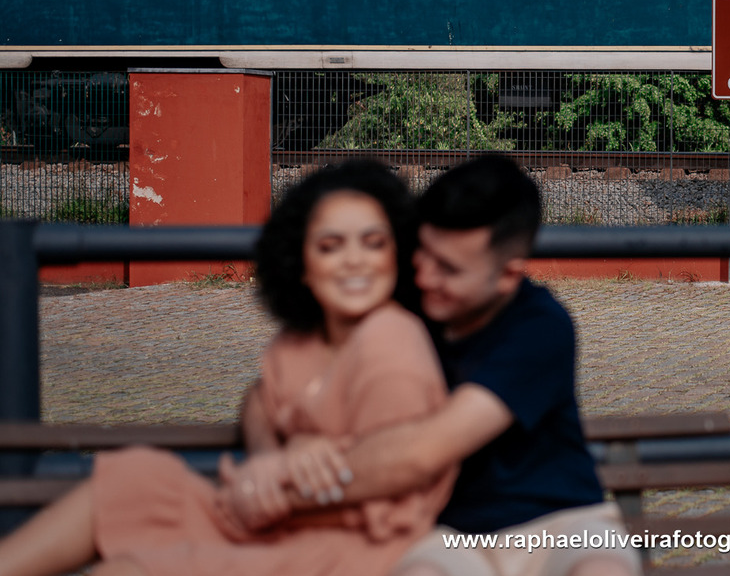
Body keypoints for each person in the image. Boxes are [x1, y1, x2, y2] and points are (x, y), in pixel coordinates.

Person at [0, 160, 455, 576]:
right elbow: (262, 401)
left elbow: (392, 497)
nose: (354, 260)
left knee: (133, 570)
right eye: (331, 246)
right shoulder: (301, 340)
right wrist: (272, 455)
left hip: (342, 545)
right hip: (266, 518)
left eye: (373, 243)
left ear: (398, 256)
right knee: (134, 483)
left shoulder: (392, 344)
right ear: (302, 265)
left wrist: (272, 481)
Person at [235, 154, 641, 576]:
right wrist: (268, 456)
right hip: (447, 536)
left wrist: (280, 490)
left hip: (560, 524)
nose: (425, 277)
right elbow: (265, 394)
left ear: (508, 276)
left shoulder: (540, 327)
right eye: (423, 253)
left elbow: (423, 453)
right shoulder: (403, 307)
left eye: (448, 269)